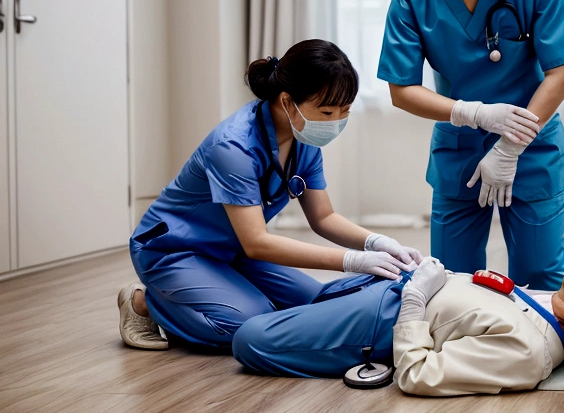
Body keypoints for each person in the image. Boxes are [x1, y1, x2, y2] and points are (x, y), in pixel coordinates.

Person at [118, 39, 423, 350]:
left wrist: (378, 242)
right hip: (173, 251)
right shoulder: (233, 147)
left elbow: (323, 217)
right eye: (327, 111)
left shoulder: (303, 138)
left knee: (312, 306)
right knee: (250, 325)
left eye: (344, 111)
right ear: (288, 102)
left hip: (230, 252)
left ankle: (221, 291)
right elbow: (256, 242)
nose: (335, 123)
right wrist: (352, 260)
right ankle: (145, 302)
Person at [377, 0, 564, 289]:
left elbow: (561, 74)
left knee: (541, 275)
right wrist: (474, 114)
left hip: (530, 147)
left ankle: (544, 352)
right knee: (450, 279)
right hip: (460, 148)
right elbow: (402, 90)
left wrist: (509, 146)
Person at [232, 254, 564, 396]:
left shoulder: (528, 353)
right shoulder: (547, 308)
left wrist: (415, 299)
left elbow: (417, 374)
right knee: (252, 261)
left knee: (249, 338)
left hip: (379, 321)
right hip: (393, 283)